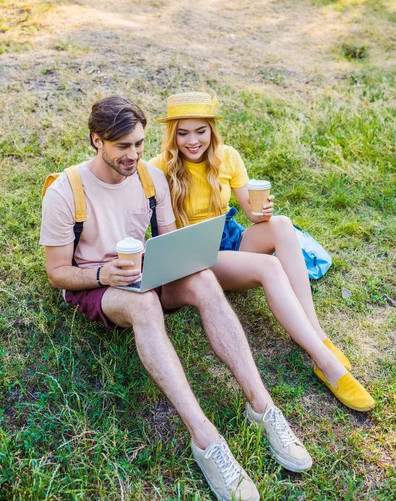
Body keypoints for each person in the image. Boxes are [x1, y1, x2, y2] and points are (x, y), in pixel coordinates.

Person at [41, 96, 316, 501]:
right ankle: (206, 439)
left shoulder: (151, 178)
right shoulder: (66, 190)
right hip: (97, 284)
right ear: (95, 141)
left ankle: (262, 407)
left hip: (145, 269)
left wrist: (183, 259)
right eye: (122, 147)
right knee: (144, 304)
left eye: (138, 143)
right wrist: (103, 273)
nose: (133, 155)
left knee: (204, 279)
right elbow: (56, 272)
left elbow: (170, 242)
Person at [150, 91, 375, 413]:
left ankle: (317, 332)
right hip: (194, 257)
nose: (192, 141)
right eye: (183, 133)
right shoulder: (158, 168)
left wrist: (262, 213)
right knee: (270, 267)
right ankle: (325, 362)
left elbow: (251, 213)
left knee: (282, 224)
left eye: (200, 131)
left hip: (227, 236)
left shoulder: (227, 157)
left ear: (212, 130)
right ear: (173, 135)